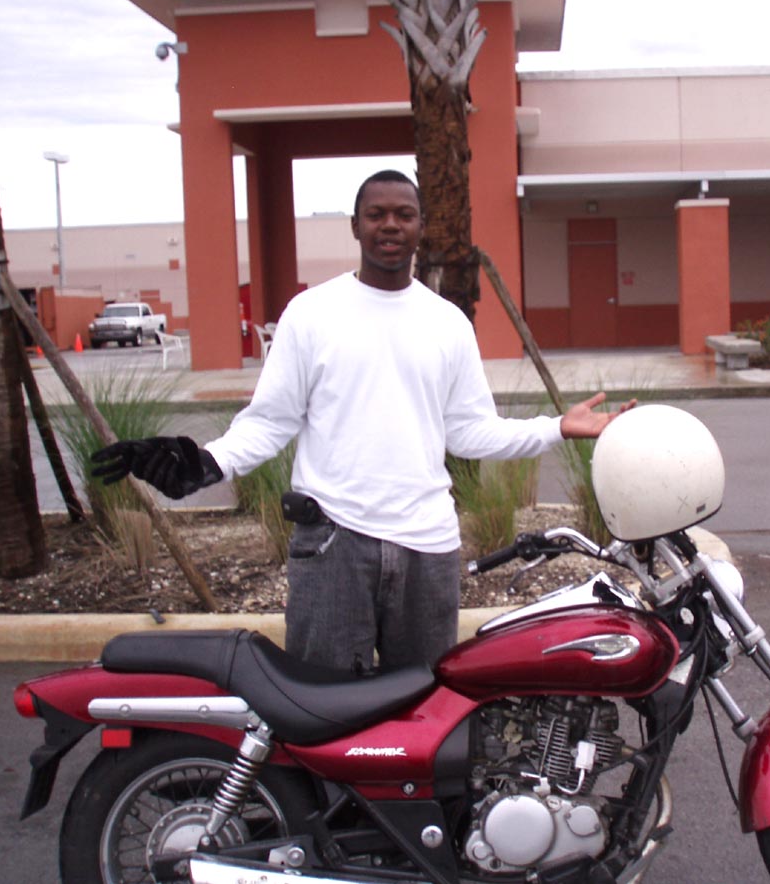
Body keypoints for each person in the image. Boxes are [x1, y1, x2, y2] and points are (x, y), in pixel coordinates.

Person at [93, 169, 631, 673]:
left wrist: (557, 427)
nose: (390, 225)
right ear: (355, 226)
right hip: (332, 545)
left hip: (427, 550)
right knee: (322, 712)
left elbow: (468, 430)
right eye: (376, 215)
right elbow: (270, 421)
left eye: (404, 214)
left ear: (420, 226)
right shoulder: (311, 313)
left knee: (423, 713)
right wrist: (207, 462)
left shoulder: (447, 323)